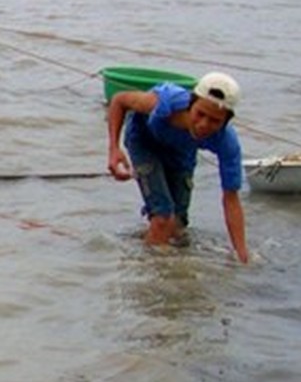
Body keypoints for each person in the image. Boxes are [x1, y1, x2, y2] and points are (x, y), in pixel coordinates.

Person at [105, 71, 250, 264]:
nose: (203, 125)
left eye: (215, 121)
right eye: (200, 114)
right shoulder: (165, 102)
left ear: (226, 122)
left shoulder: (227, 143)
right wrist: (114, 149)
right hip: (144, 141)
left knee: (177, 228)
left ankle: (145, 245)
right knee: (163, 218)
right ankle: (149, 272)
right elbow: (119, 100)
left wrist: (241, 254)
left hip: (182, 151)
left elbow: (231, 199)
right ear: (191, 104)